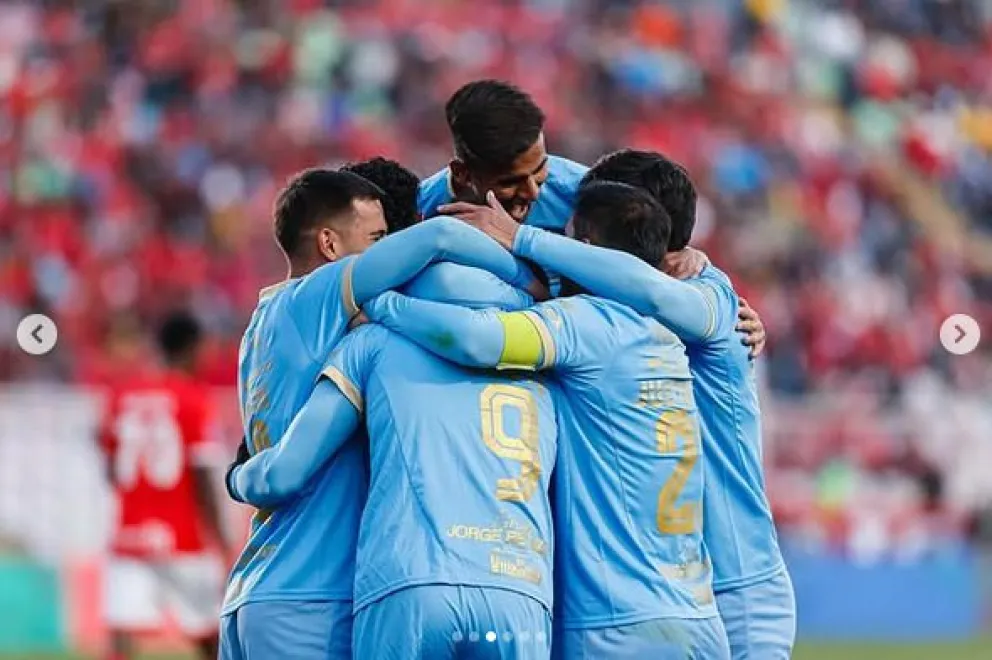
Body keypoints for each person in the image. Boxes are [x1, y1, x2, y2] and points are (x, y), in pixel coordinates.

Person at [446, 149, 795, 659]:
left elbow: (651, 292)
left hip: (732, 585)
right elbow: (546, 175)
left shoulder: (710, 302)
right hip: (655, 593)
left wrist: (520, 237)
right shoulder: (601, 312)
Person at [366, 182, 731, 659]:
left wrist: (381, 305)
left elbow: (478, 340)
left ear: (584, 251)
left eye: (567, 238)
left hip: (620, 627)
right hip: (698, 619)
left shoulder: (588, 323)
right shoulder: (670, 331)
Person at [220, 169, 543, 660]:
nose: (388, 251)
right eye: (376, 239)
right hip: (314, 597)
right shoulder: (319, 295)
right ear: (329, 244)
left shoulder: (262, 326)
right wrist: (532, 279)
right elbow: (438, 236)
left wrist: (241, 473)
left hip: (258, 587)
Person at [228, 308, 557, 659]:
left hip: (410, 582)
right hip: (520, 590)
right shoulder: (550, 355)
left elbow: (284, 473)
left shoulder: (373, 340)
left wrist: (237, 476)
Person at [422, 79, 766, 357]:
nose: (534, 191)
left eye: (540, 171)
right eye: (511, 182)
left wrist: (704, 274)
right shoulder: (421, 210)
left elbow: (656, 244)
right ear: (463, 175)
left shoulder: (577, 189)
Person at [98, 311, 231, 660]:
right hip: (183, 538)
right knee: (210, 637)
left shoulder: (122, 396)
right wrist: (221, 540)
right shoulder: (194, 399)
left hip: (130, 537)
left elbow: (110, 466)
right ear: (191, 348)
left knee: (122, 638)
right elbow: (202, 478)